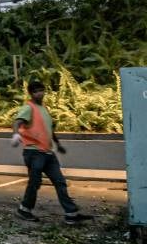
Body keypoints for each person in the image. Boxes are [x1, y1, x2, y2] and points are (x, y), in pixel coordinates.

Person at [12, 79, 93, 225]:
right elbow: (17, 121)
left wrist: (58, 144)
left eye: (42, 90)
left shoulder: (44, 108)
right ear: (31, 93)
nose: (40, 93)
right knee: (35, 183)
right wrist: (16, 134)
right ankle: (24, 209)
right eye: (36, 91)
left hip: (48, 153)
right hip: (34, 152)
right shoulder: (28, 108)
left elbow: (49, 129)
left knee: (60, 181)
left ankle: (71, 214)